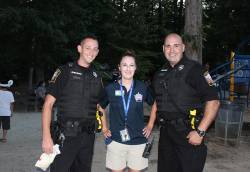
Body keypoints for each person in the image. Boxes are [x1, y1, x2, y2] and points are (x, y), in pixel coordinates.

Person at [151, 33, 220, 172]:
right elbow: (157, 101)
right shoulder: (160, 73)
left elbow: (214, 101)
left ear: (183, 47)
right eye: (168, 46)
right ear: (163, 49)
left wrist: (200, 132)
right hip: (166, 135)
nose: (172, 50)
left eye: (176, 45)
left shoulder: (197, 70)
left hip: (189, 134)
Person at [41, 35, 103, 172]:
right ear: (79, 49)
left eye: (95, 49)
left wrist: (105, 128)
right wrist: (46, 137)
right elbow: (48, 105)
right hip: (66, 135)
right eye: (88, 48)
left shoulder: (97, 77)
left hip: (88, 137)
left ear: (98, 52)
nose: (91, 52)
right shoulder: (64, 72)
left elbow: (98, 105)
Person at [99, 51, 156, 172]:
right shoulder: (110, 88)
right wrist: (104, 127)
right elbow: (100, 106)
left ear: (136, 68)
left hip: (138, 142)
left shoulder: (142, 87)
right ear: (119, 67)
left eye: (131, 65)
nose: (128, 68)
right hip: (116, 141)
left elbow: (155, 103)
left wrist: (150, 124)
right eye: (124, 65)